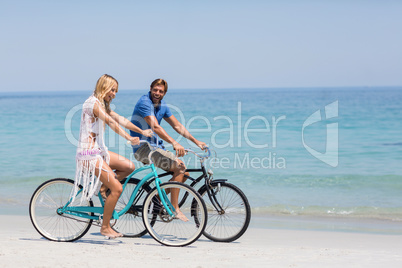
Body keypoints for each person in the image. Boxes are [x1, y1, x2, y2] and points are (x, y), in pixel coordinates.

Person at [71, 74, 153, 239]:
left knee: (129, 166)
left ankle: (102, 189)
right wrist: (129, 138)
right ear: (104, 87)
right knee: (117, 188)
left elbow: (120, 119)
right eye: (112, 90)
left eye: (116, 91)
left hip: (99, 151)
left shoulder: (101, 104)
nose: (114, 94)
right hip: (88, 155)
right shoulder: (93, 104)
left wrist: (141, 131)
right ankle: (105, 227)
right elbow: (110, 122)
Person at [130, 78, 207, 221]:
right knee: (179, 167)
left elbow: (177, 126)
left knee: (184, 174)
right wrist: (174, 143)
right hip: (143, 148)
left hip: (155, 147)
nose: (157, 93)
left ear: (164, 93)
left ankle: (156, 197)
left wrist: (196, 142)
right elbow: (156, 127)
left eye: (161, 91)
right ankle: (174, 208)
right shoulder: (144, 102)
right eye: (155, 90)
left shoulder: (162, 105)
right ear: (150, 88)